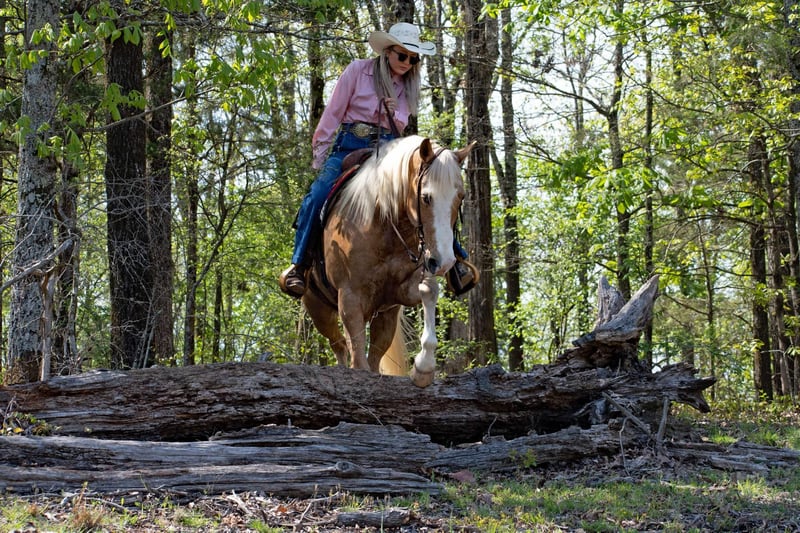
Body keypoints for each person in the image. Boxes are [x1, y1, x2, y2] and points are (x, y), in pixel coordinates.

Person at [279, 22, 476, 298]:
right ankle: (299, 265)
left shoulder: (408, 84)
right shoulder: (357, 71)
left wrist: (395, 113)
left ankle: (455, 260)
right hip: (350, 144)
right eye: (402, 55)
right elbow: (333, 113)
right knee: (318, 194)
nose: (407, 63)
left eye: (413, 59)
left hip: (388, 150)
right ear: (387, 52)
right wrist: (320, 155)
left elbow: (402, 123)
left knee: (428, 193)